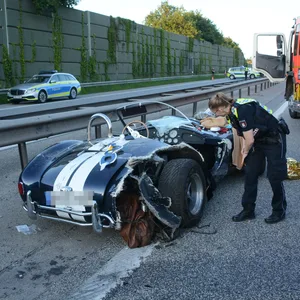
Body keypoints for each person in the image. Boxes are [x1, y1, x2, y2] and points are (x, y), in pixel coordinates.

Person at [208, 92, 288, 224]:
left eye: (215, 111)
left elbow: (249, 139)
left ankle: (279, 211)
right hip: (258, 140)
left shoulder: (242, 109)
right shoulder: (231, 114)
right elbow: (245, 136)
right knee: (250, 174)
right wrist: (245, 154)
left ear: (220, 108)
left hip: (274, 138)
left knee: (275, 176)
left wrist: (245, 150)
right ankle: (248, 210)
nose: (216, 114)